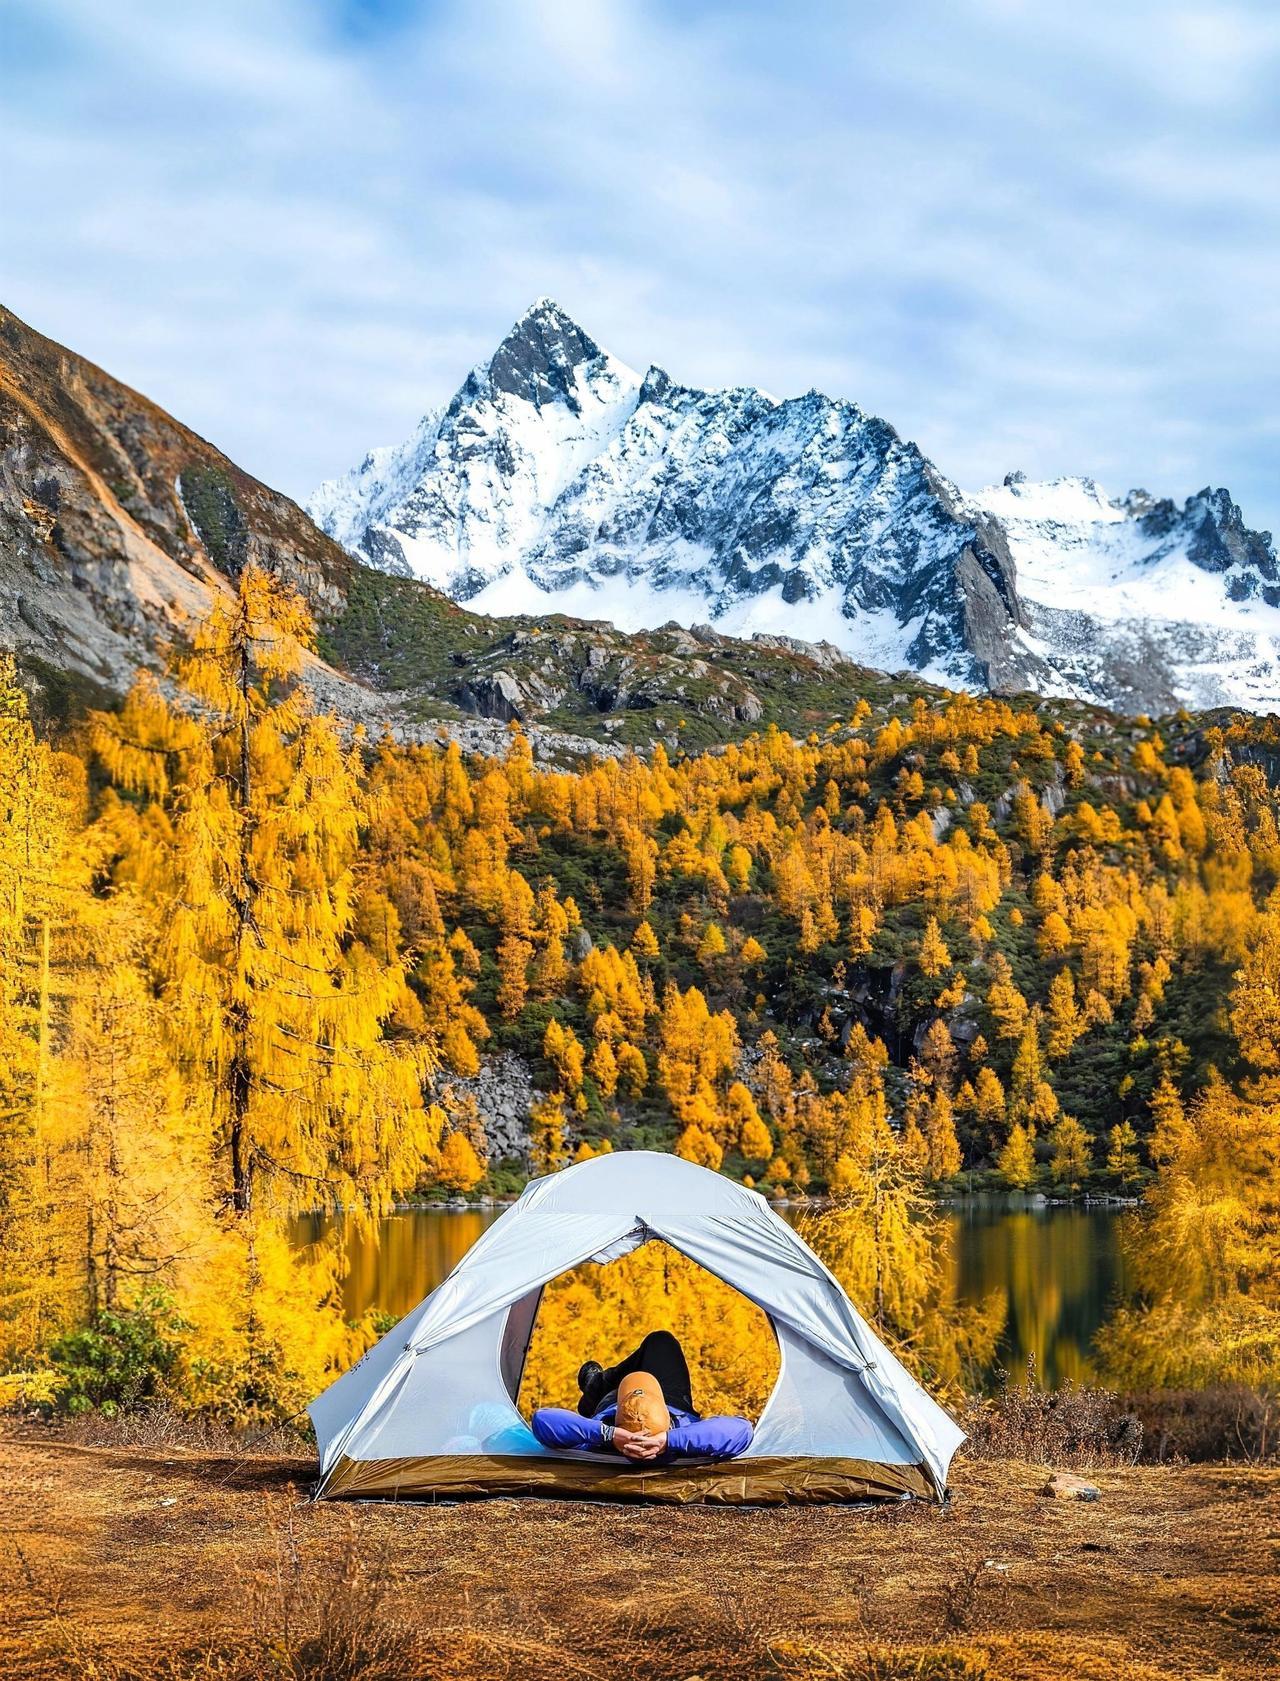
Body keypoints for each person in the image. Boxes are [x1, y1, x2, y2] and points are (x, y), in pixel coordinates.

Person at [530, 1330, 753, 1463]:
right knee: (660, 1341)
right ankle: (598, 1383)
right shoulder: (684, 1436)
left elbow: (543, 1419)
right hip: (669, 1402)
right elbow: (741, 1430)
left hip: (613, 1403)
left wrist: (609, 1434)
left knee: (625, 1378)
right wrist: (667, 1440)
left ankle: (597, 1386)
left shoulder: (597, 1442)